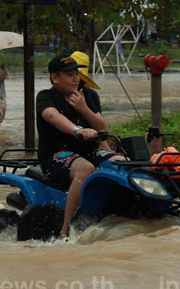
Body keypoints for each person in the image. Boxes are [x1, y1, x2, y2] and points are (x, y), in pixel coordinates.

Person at [36, 54, 127, 238]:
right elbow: (53, 117)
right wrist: (77, 129)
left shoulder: (88, 95)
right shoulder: (46, 97)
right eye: (69, 75)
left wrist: (83, 108)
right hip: (56, 155)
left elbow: (101, 126)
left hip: (88, 151)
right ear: (55, 78)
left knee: (123, 162)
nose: (75, 78)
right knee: (85, 169)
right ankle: (66, 228)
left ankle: (126, 212)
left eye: (76, 73)